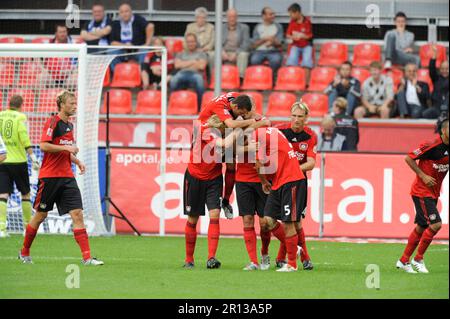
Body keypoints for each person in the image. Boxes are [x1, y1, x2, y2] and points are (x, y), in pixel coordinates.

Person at [19, 91, 103, 266]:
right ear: (62, 105)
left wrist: (76, 160)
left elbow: (65, 150)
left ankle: (87, 258)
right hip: (49, 177)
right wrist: (67, 150)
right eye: (71, 103)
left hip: (67, 177)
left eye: (75, 103)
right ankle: (24, 252)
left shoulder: (69, 126)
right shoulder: (53, 122)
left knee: (77, 214)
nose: (74, 106)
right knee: (40, 216)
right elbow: (43, 145)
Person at [183, 114, 248, 269]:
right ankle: (188, 259)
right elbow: (224, 143)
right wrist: (241, 128)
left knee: (214, 215)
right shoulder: (205, 130)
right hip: (194, 178)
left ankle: (211, 258)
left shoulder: (227, 140)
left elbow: (231, 170)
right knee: (193, 219)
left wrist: (226, 197)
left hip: (214, 179)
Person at [397, 119, 448, 274]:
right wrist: (423, 175)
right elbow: (408, 158)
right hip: (421, 191)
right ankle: (418, 259)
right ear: (444, 131)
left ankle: (403, 260)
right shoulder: (431, 145)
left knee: (421, 227)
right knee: (436, 224)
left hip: (433, 193)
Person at [255, 126, 308, 272]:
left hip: (290, 180)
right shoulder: (271, 131)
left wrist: (264, 182)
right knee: (268, 220)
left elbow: (258, 164)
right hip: (279, 182)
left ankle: (292, 263)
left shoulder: (258, 136)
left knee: (288, 222)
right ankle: (295, 248)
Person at [199, 93, 256, 219]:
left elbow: (251, 105)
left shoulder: (237, 98)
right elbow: (230, 124)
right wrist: (252, 121)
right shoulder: (220, 106)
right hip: (205, 133)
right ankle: (209, 196)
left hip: (221, 131)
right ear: (235, 107)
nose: (242, 116)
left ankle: (225, 201)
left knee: (231, 165)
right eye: (241, 113)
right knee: (211, 164)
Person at [276, 102, 317, 270]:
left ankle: (302, 257)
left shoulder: (310, 135)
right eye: (294, 116)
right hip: (278, 181)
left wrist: (292, 170)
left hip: (297, 182)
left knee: (295, 222)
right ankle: (292, 255)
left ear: (306, 118)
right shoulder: (279, 131)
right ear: (289, 116)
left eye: (300, 116)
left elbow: (311, 163)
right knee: (274, 221)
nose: (296, 119)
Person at [0, 96, 40, 238]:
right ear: (21, 105)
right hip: (18, 161)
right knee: (25, 194)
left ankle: (2, 229)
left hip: (3, 161)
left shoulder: (1, 115)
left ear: (8, 104)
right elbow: (24, 138)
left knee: (3, 194)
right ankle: (27, 227)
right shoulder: (20, 117)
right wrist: (33, 158)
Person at [110, 3, 155, 72]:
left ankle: (141, 76)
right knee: (111, 52)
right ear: (119, 14)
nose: (124, 14)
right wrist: (125, 46)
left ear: (131, 12)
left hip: (137, 51)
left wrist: (147, 44)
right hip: (123, 51)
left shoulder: (138, 19)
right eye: (122, 12)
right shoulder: (116, 24)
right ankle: (119, 74)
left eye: (126, 11)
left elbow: (150, 26)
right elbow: (113, 42)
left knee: (145, 52)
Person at [170, 33, 208, 110]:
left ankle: (199, 107)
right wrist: (194, 61)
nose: (191, 43)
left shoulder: (201, 54)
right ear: (186, 43)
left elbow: (201, 66)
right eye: (189, 42)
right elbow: (177, 65)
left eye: (192, 41)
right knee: (173, 80)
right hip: (182, 73)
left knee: (199, 81)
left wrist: (184, 63)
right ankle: (174, 105)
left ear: (196, 42)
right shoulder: (180, 54)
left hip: (195, 74)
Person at [250, 7, 284, 78]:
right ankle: (260, 78)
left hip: (273, 51)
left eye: (273, 14)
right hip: (259, 51)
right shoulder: (258, 27)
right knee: (254, 60)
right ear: (264, 16)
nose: (273, 16)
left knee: (276, 60)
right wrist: (264, 39)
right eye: (271, 14)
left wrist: (273, 41)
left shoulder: (278, 26)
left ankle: (270, 78)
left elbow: (280, 43)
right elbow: (254, 45)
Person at [285, 3, 313, 85]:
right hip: (296, 45)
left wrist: (302, 36)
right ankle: (293, 82)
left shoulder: (307, 21)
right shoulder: (292, 22)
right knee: (291, 61)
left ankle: (305, 84)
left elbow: (309, 36)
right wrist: (293, 37)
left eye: (291, 14)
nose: (290, 16)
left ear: (297, 12)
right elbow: (287, 34)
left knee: (307, 62)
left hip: (306, 45)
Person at [220, 8, 251, 79]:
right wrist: (221, 51)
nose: (232, 19)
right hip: (225, 52)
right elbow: (217, 42)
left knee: (243, 55)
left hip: (238, 52)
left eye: (234, 16)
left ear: (237, 17)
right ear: (226, 18)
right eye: (230, 17)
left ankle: (240, 79)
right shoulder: (221, 27)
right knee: (213, 55)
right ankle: (215, 77)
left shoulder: (244, 28)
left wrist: (236, 53)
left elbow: (246, 44)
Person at [424, 45, 449, 119]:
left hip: (447, 108)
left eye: (447, 69)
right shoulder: (436, 78)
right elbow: (431, 69)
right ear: (440, 69)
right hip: (437, 107)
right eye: (443, 69)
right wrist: (434, 55)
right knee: (424, 115)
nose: (445, 71)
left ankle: (444, 113)